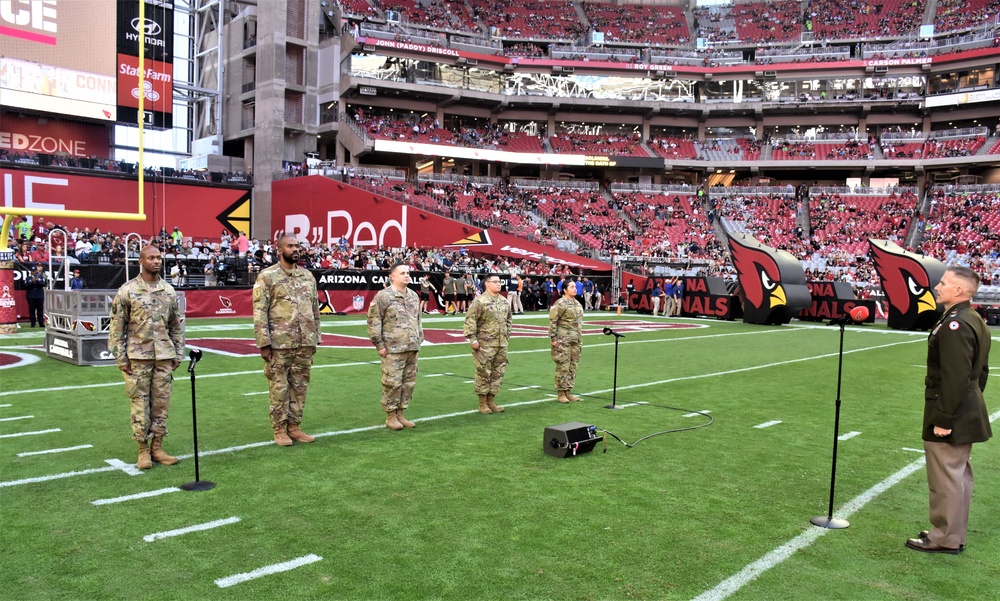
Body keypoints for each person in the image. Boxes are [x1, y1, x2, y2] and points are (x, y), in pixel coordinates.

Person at [905, 266, 991, 555]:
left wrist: (943, 418)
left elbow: (956, 374)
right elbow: (981, 373)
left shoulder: (957, 323)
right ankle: (952, 532)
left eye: (944, 283)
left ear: (958, 291)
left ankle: (944, 537)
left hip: (950, 409)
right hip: (965, 405)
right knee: (958, 474)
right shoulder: (972, 318)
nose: (937, 286)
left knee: (946, 476)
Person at [108, 245, 185, 469]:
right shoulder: (127, 290)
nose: (156, 261)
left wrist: (178, 354)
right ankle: (142, 450)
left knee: (161, 404)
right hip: (137, 358)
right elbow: (116, 328)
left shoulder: (168, 291)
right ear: (141, 261)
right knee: (140, 405)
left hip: (164, 357)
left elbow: (176, 327)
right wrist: (121, 358)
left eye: (159, 258)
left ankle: (158, 447)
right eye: (151, 258)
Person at [253, 235, 322, 446]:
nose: (295, 249)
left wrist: (315, 337)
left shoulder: (308, 277)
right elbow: (260, 311)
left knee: (300, 386)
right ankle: (279, 429)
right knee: (279, 387)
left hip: (304, 342)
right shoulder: (268, 276)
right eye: (290, 246)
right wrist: (264, 343)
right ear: (279, 250)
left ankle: (295, 426)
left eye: (297, 246)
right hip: (279, 344)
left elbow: (314, 310)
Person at [367, 262, 423, 430]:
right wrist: (379, 345)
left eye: (408, 272)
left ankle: (401, 413)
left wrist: (419, 338)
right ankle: (391, 416)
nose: (407, 275)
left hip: (411, 346)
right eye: (402, 273)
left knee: (408, 382)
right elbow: (374, 321)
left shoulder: (413, 295)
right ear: (392, 276)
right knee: (392, 382)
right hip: (393, 347)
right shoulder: (383, 296)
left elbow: (418, 319)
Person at [464, 274, 512, 414]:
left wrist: (506, 335)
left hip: (501, 343)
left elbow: (509, 320)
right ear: (487, 284)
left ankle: (491, 400)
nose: (498, 284)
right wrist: (472, 339)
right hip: (484, 344)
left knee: (498, 373)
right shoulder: (480, 301)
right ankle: (482, 402)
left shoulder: (504, 301)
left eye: (499, 282)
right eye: (495, 282)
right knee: (484, 372)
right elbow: (471, 320)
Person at [549, 279, 584, 403]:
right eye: (572, 287)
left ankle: (568, 391)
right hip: (563, 340)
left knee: (572, 366)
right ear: (565, 290)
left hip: (575, 339)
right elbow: (553, 321)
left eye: (575, 287)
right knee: (563, 366)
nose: (575, 289)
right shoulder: (560, 303)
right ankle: (561, 393)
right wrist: (553, 338)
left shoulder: (577, 304)